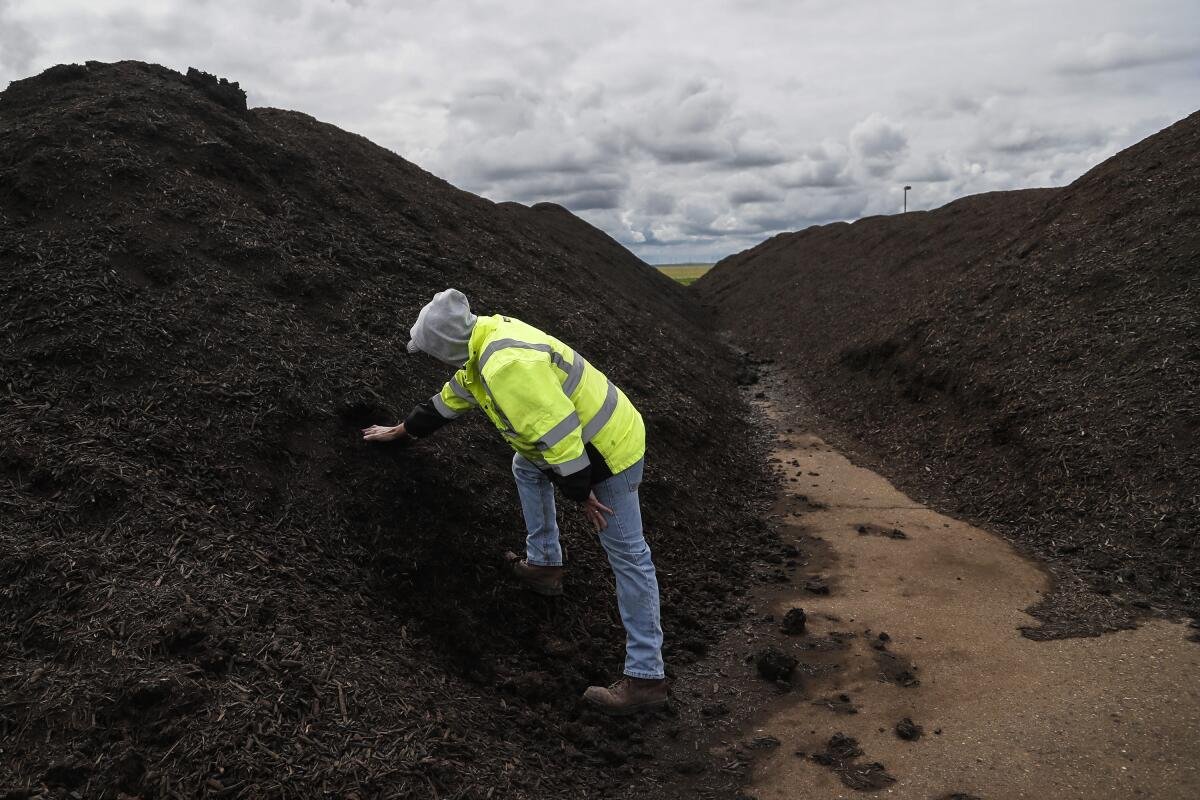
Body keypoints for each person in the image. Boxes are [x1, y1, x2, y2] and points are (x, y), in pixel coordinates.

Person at [362, 288, 667, 715]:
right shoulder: (485, 340)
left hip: (607, 453)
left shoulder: (506, 365)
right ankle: (544, 564)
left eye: (432, 351)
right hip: (589, 439)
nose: (434, 360)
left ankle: (646, 678)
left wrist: (581, 494)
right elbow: (453, 398)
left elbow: (561, 439)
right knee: (526, 466)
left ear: (445, 345)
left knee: (629, 555)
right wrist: (402, 430)